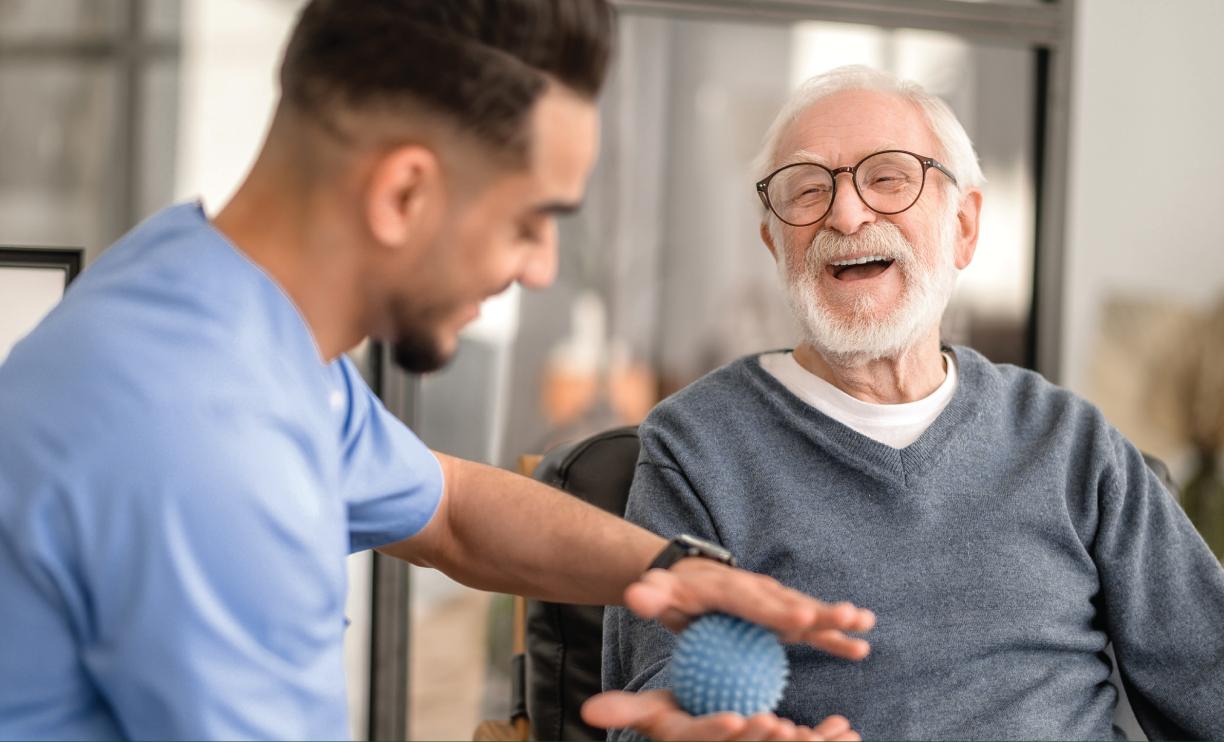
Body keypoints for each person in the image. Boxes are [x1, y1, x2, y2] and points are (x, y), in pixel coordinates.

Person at [0, 3, 878, 740]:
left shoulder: (212, 308)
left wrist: (678, 570)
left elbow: (454, 512)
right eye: (531, 220)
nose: (539, 267)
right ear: (404, 194)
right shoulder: (202, 443)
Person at [603, 64, 1224, 741]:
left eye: (889, 178)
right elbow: (647, 716)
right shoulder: (696, 446)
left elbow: (1210, 678)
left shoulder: (1071, 441)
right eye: (807, 191)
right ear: (774, 245)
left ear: (963, 225)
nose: (845, 213)